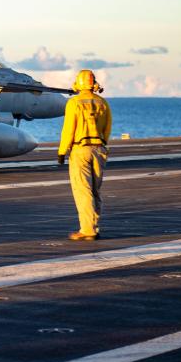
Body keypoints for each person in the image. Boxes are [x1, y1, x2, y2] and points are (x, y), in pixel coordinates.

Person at [57, 69, 112, 241]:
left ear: (79, 83)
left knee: (83, 190)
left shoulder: (74, 103)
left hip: (80, 150)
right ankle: (93, 226)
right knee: (95, 190)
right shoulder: (103, 103)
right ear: (93, 83)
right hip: (99, 149)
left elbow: (68, 130)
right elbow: (107, 129)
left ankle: (87, 230)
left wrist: (62, 151)